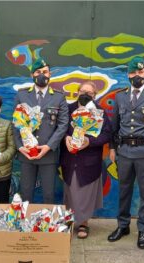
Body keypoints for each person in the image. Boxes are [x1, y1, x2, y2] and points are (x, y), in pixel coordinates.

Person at [108, 56, 144, 249]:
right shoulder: (120, 96)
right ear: (128, 74)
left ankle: (142, 229)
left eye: (140, 72)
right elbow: (114, 126)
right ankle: (123, 226)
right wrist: (113, 148)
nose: (137, 76)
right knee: (124, 191)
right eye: (133, 73)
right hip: (124, 153)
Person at [60, 81, 112, 239]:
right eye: (82, 91)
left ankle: (84, 223)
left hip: (89, 160)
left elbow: (107, 134)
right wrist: (66, 138)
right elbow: (60, 129)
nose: (85, 94)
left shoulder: (99, 112)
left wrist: (89, 141)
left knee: (86, 193)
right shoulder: (68, 109)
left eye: (89, 93)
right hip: (70, 158)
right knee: (70, 192)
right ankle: (68, 222)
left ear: (95, 95)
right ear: (77, 92)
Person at [13, 58, 68, 204]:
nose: (42, 75)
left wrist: (49, 146)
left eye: (45, 72)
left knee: (49, 194)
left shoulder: (59, 96)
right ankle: (26, 225)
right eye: (38, 72)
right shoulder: (22, 95)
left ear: (50, 74)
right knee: (26, 192)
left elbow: (63, 125)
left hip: (48, 153)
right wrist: (20, 147)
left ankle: (47, 225)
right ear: (32, 75)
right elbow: (16, 123)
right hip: (26, 153)